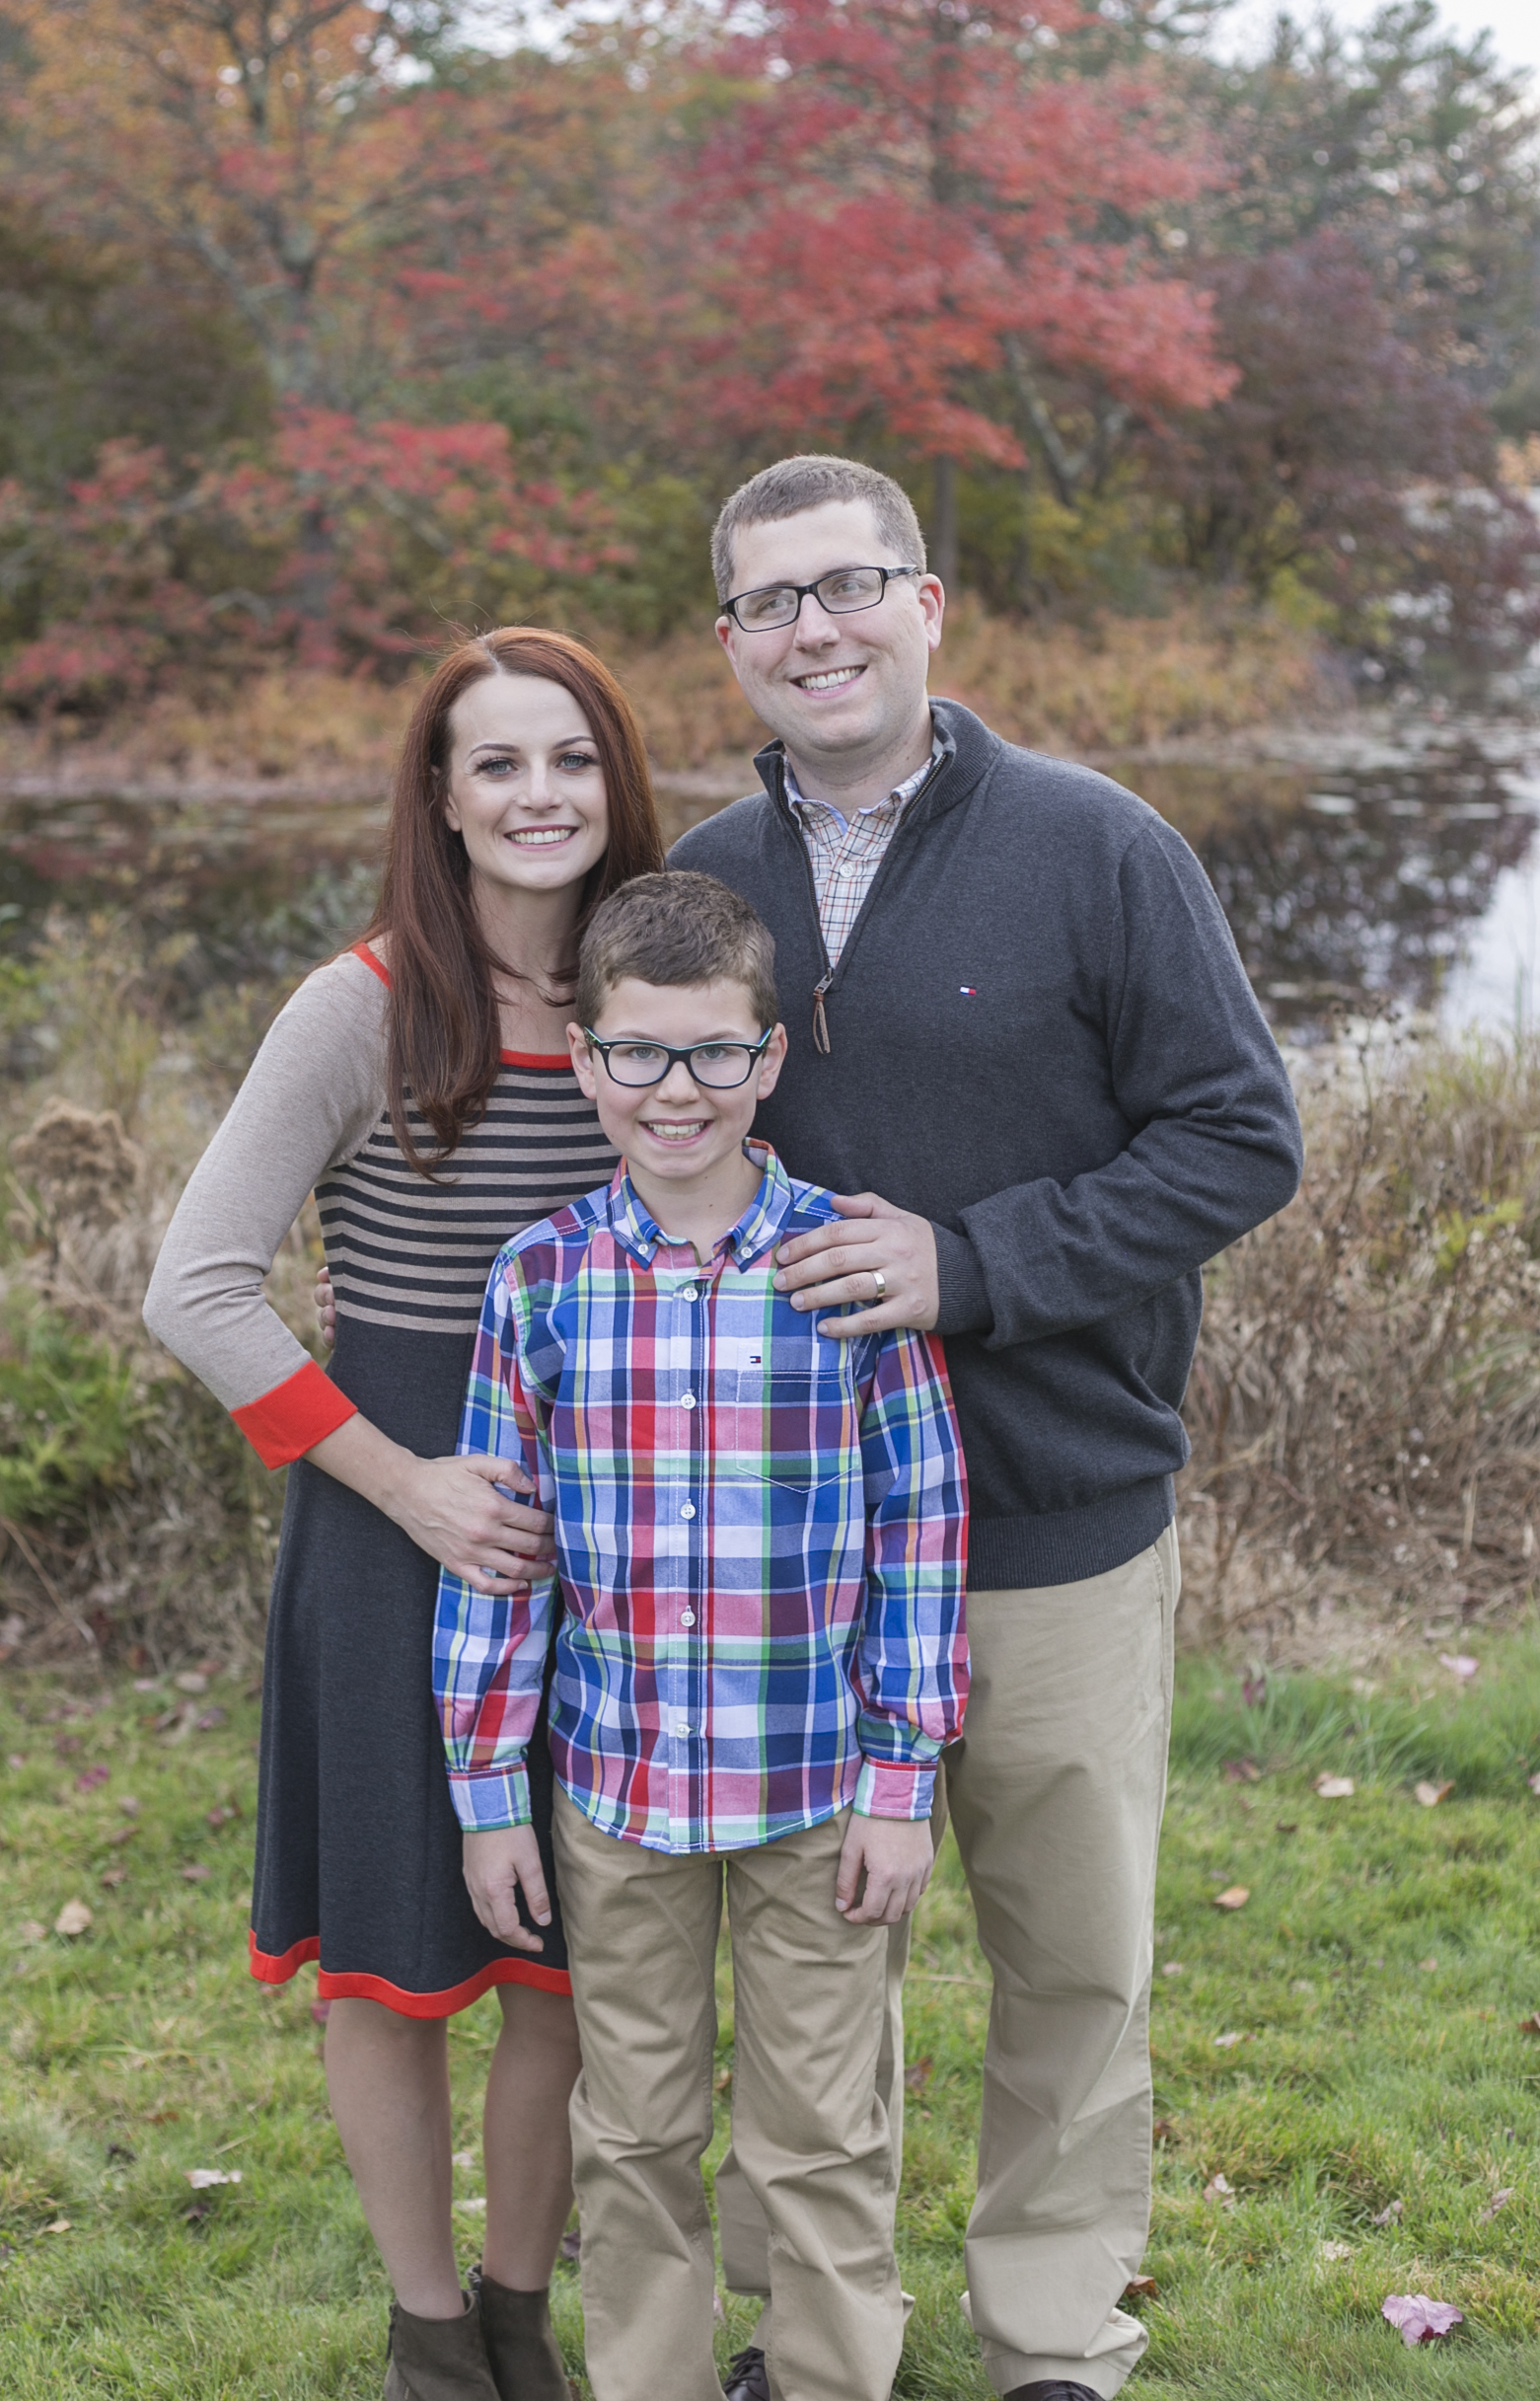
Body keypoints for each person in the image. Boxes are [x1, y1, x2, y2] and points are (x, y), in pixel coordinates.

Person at [662, 455, 1304, 2401]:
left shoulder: (1099, 849)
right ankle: (817, 2339)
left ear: (929, 605)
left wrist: (979, 1266)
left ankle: (1050, 2341)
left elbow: (1238, 1138)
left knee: (1072, 1966)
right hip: (788, 1542)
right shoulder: (705, 880)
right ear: (731, 645)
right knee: (804, 1986)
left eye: (849, 585)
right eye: (772, 603)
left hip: (1056, 1511)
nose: (815, 630)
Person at [143, 630, 664, 2401]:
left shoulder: (656, 995)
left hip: (613, 1532)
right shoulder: (362, 1005)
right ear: (438, 799)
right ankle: (430, 2336)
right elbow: (197, 1289)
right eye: (497, 764)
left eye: (571, 758)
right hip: (398, 1517)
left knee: (565, 1956)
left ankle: (522, 2315)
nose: (539, 797)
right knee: (393, 1946)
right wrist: (408, 1485)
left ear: (619, 781)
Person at [433, 870, 969, 2401]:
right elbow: (501, 1561)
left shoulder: (844, 1268)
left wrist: (900, 1777)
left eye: (717, 1054)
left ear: (771, 1059)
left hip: (816, 1796)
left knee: (822, 2130)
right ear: (589, 1061)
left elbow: (920, 1534)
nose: (682, 1092)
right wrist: (488, 1800)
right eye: (645, 1055)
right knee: (639, 2127)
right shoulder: (540, 1282)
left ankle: (821, 2378)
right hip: (620, 1798)